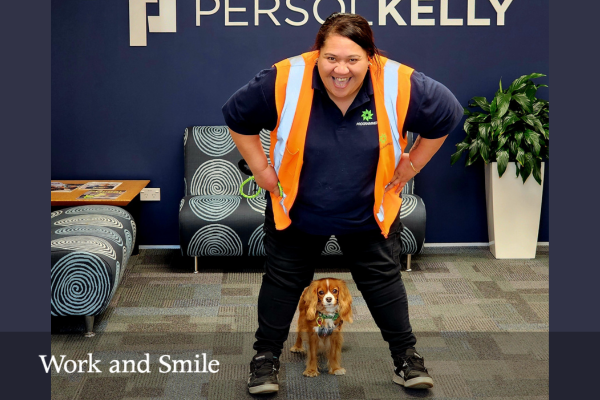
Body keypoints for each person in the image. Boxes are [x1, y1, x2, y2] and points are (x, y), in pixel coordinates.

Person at [222, 13, 463, 394]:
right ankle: (265, 359)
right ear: (318, 54)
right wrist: (262, 170)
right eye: (331, 58)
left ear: (371, 57)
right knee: (283, 284)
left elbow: (448, 114)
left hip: (368, 208)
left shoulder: (399, 82)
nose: (341, 70)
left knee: (384, 284)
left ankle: (406, 359)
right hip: (299, 207)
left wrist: (412, 162)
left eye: (352, 60)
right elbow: (237, 116)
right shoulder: (285, 78)